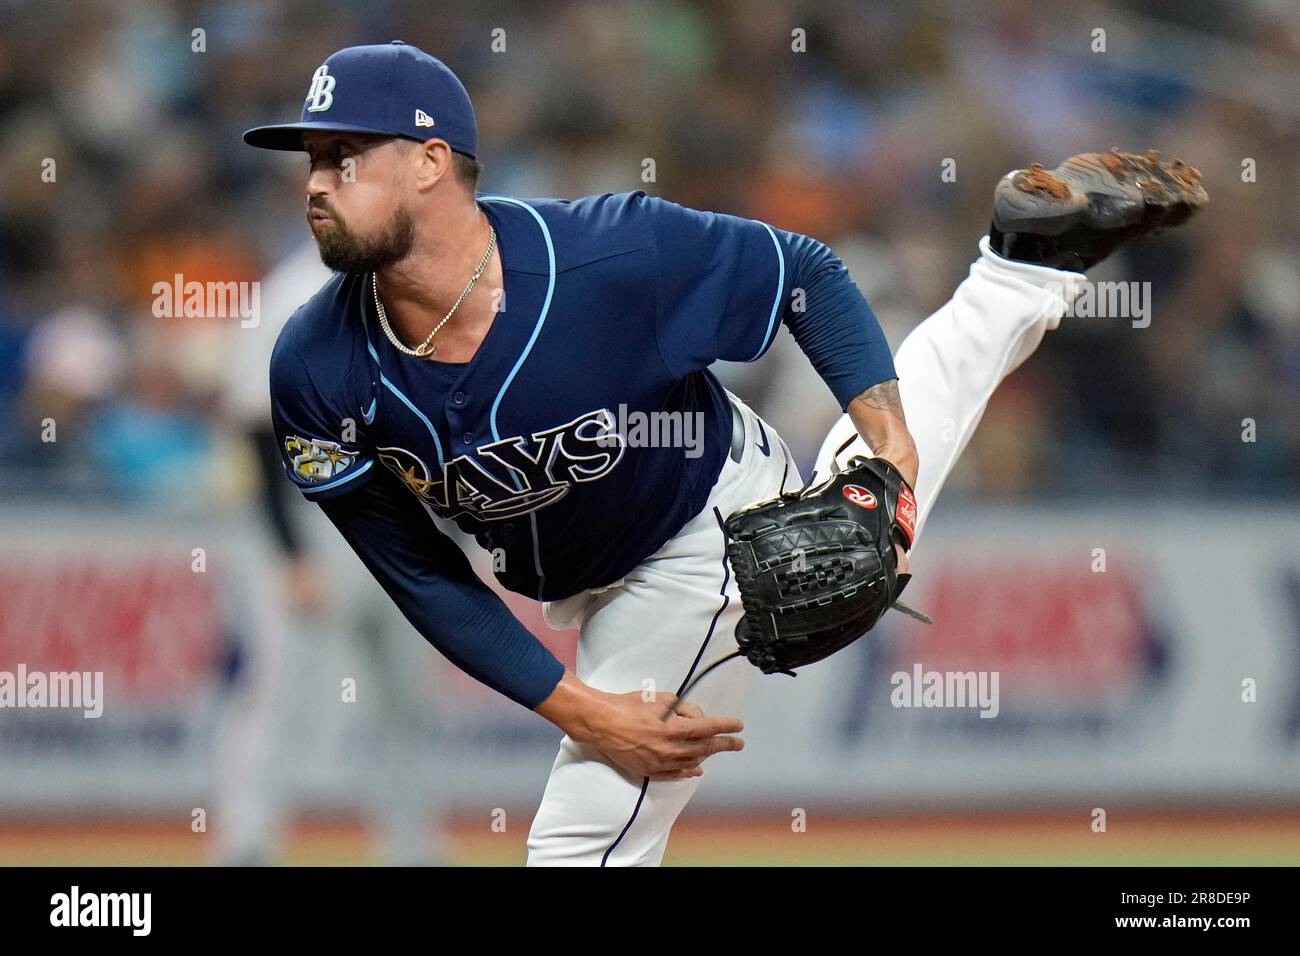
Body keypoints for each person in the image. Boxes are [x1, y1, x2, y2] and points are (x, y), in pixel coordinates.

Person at [243, 41, 1205, 865]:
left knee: (579, 846)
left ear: (429, 161)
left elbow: (804, 275)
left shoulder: (610, 259)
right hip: (585, 576)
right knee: (846, 509)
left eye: (346, 155)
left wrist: (895, 453)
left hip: (697, 538)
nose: (318, 181)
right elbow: (418, 573)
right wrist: (575, 705)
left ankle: (1008, 285)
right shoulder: (314, 367)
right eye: (312, 161)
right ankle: (1020, 268)